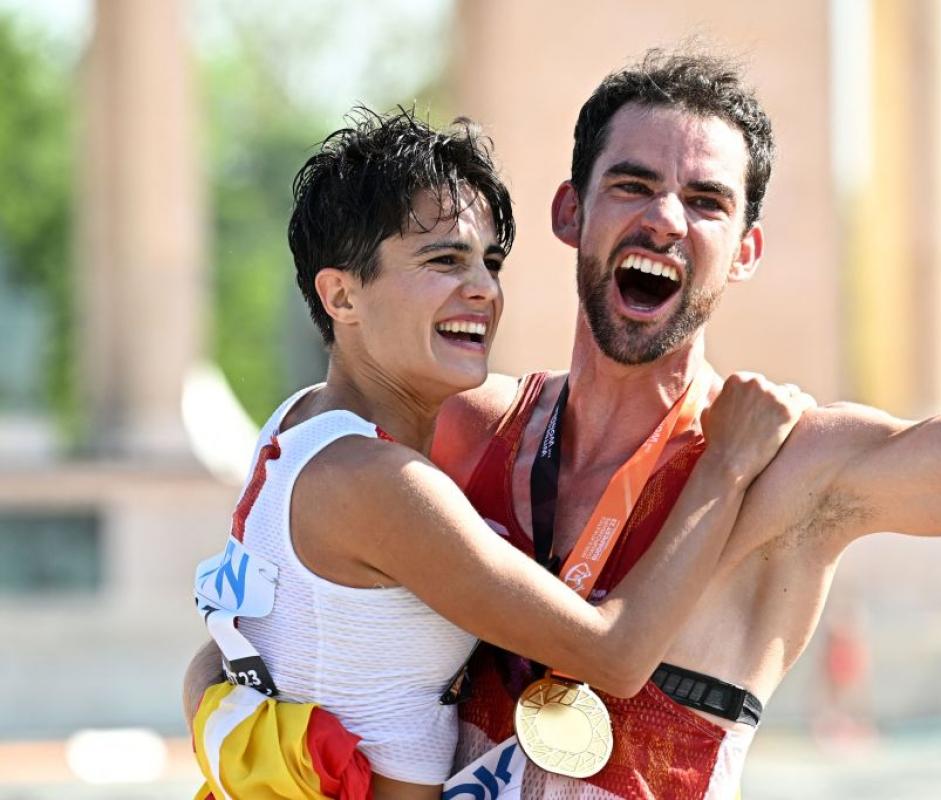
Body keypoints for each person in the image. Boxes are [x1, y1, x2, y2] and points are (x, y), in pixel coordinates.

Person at [187, 11, 941, 799]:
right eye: (634, 185)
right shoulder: (459, 427)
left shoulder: (795, 465)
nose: (666, 220)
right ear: (572, 214)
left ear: (748, 250)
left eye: (708, 201)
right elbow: (266, 627)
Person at [187, 109, 810, 800]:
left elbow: (218, 656)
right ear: (341, 295)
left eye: (490, 261)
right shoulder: (377, 482)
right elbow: (613, 653)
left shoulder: (298, 422)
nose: (482, 288)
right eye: (444, 260)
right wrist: (726, 463)